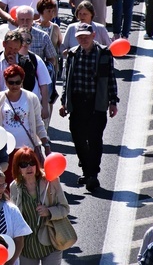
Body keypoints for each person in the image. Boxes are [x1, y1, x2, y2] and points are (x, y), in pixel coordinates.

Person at [60, 22, 119, 192]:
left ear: (93, 35)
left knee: (94, 139)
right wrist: (64, 102)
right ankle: (87, 170)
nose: (83, 39)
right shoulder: (72, 55)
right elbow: (67, 81)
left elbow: (110, 78)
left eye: (86, 36)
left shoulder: (104, 53)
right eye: (80, 37)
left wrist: (113, 101)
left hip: (96, 103)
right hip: (78, 103)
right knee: (78, 138)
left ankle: (93, 174)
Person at [9, 147, 70, 265]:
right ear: (18, 168)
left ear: (36, 164)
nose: (29, 167)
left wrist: (49, 211)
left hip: (51, 241)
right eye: (24, 164)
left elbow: (65, 208)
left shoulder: (50, 180)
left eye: (32, 163)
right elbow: (13, 216)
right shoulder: (14, 187)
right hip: (27, 247)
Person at [0, 64, 50, 183]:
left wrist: (46, 145)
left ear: (22, 81)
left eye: (17, 82)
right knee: (7, 183)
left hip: (26, 149)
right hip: (6, 150)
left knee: (27, 183)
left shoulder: (31, 97)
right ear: (6, 82)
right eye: (11, 82)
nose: (14, 85)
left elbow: (39, 123)